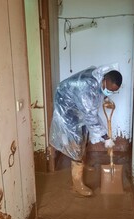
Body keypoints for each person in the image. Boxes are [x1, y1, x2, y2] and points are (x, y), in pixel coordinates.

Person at [49, 64, 123, 197]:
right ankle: (77, 184)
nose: (110, 92)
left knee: (84, 133)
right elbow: (90, 117)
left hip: (76, 102)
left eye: (113, 91)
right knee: (76, 140)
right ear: (104, 80)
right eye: (109, 90)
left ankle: (83, 162)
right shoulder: (87, 89)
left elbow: (98, 94)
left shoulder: (99, 77)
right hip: (66, 106)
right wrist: (106, 137)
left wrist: (106, 97)